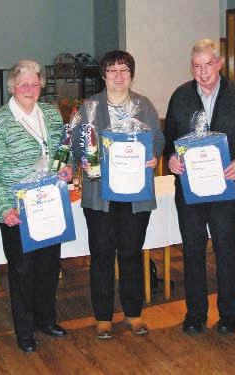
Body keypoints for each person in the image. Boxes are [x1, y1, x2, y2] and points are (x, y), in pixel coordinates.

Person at [164, 38, 235, 335]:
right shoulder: (180, 96)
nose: (203, 72)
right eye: (197, 66)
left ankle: (229, 315)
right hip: (190, 189)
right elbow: (169, 137)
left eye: (208, 64)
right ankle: (195, 314)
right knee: (192, 251)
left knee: (226, 251)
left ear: (220, 63)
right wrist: (170, 159)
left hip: (227, 189)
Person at [0, 60, 72, 352]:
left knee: (49, 265)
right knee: (22, 271)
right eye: (23, 85)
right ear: (12, 87)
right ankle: (25, 330)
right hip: (17, 209)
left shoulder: (51, 113)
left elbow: (61, 152)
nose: (29, 89)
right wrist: (5, 206)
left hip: (49, 203)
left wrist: (66, 168)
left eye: (34, 83)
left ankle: (45, 319)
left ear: (41, 84)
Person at [71, 50, 164, 339]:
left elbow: (158, 140)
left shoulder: (144, 105)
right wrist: (82, 159)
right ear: (103, 75)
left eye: (124, 70)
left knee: (131, 253)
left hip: (135, 195)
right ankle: (102, 316)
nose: (119, 75)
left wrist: (154, 156)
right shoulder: (88, 107)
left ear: (131, 74)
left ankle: (134, 313)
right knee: (101, 254)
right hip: (100, 194)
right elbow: (75, 142)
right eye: (112, 70)